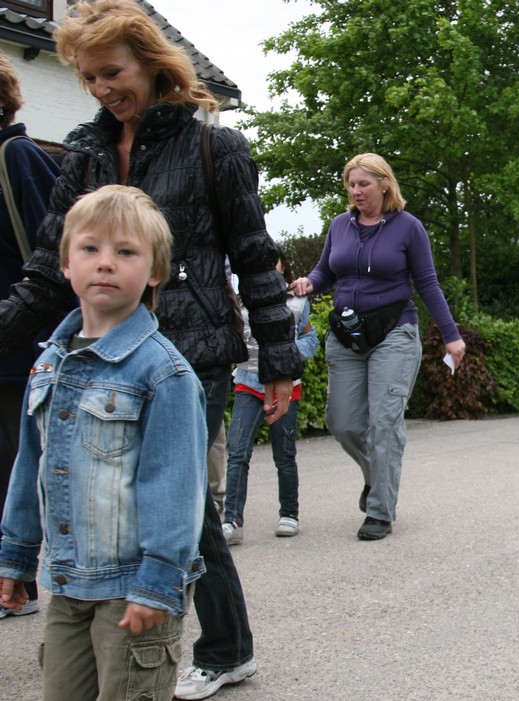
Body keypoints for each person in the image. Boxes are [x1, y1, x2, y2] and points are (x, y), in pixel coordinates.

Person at [0, 3, 304, 698]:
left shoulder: (215, 148)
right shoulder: (83, 151)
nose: (101, 88)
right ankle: (187, 638)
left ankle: (219, 647)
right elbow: (48, 268)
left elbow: (254, 256)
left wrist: (279, 362)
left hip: (192, 351)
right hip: (106, 354)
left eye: (112, 72)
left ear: (150, 62)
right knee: (136, 501)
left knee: (180, 501)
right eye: (88, 78)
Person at [0, 185, 207, 701]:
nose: (106, 263)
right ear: (65, 264)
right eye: (90, 248)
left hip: (134, 587)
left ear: (155, 271)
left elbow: (175, 485)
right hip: (67, 583)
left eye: (126, 251)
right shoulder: (48, 362)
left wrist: (158, 579)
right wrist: (16, 556)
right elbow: (31, 465)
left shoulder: (164, 373)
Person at [289, 153, 465, 541]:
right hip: (347, 334)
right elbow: (326, 270)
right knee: (342, 422)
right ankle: (376, 478)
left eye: (363, 184)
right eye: (351, 184)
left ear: (384, 185)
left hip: (394, 333)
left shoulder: (408, 227)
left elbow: (428, 283)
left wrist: (451, 335)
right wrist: (310, 283)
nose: (356, 191)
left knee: (384, 423)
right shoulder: (340, 225)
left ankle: (380, 511)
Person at [0, 51, 61, 621]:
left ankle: (19, 582)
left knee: (17, 466)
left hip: (22, 346)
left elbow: (56, 252)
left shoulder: (17, 157)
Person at [223, 249, 319, 544]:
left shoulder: (297, 302)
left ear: (283, 266)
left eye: (272, 260)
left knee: (284, 454)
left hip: (286, 385)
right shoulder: (239, 300)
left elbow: (311, 340)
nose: (266, 265)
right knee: (237, 451)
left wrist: (285, 354)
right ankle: (231, 521)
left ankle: (289, 514)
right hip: (247, 382)